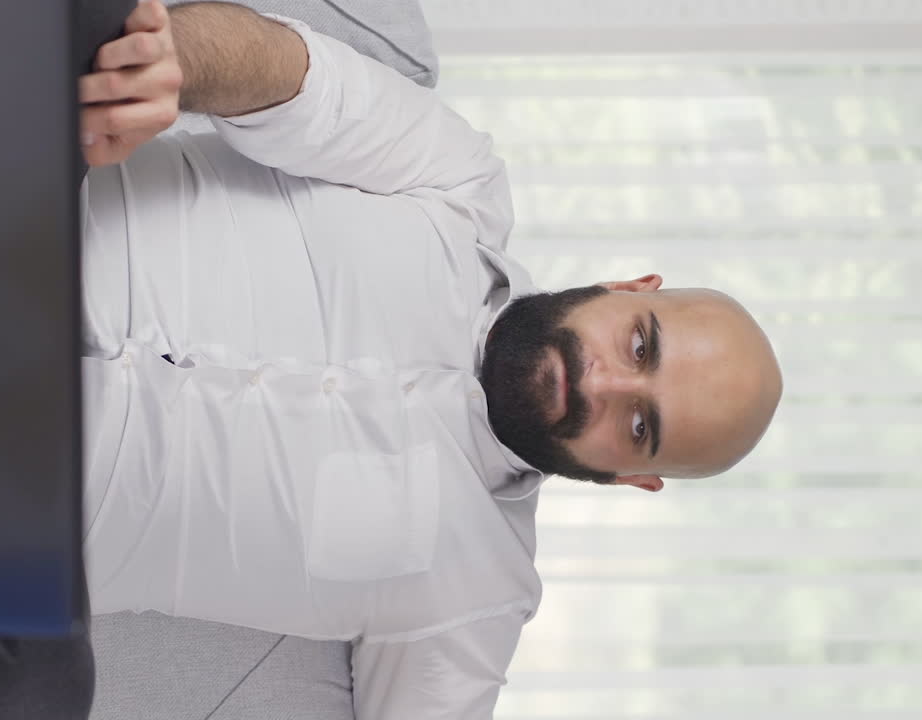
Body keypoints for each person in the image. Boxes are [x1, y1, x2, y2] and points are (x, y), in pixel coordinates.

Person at [73, 2, 783, 719]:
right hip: (36, 213)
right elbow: (283, 76)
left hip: (21, 506)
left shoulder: (480, 593)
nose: (603, 382)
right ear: (629, 289)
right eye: (639, 346)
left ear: (633, 478)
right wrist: (173, 61)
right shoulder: (457, 182)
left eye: (639, 426)